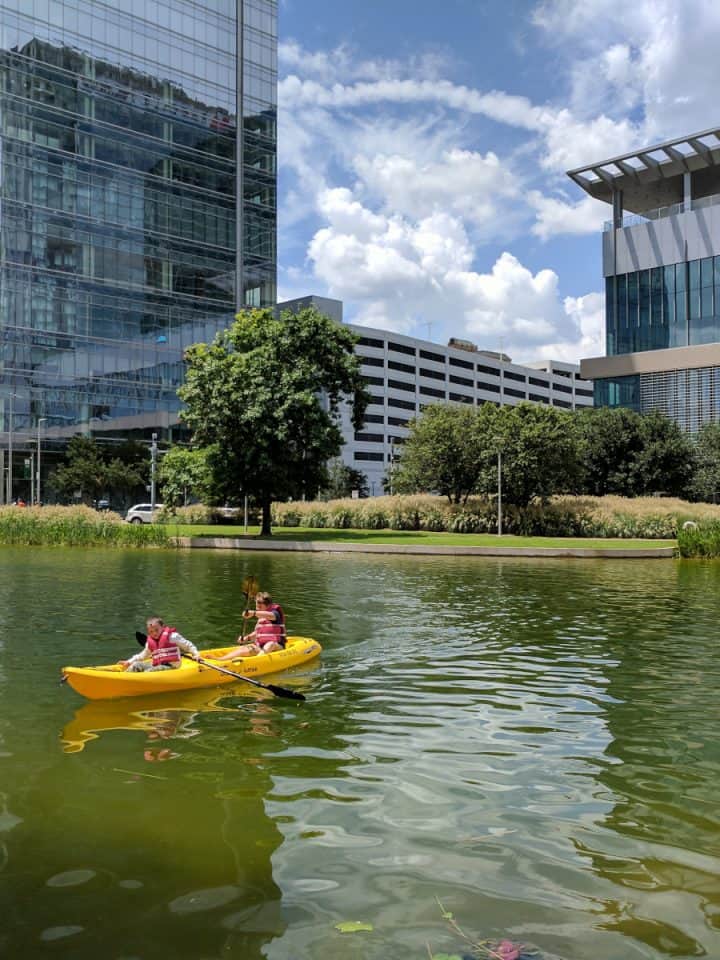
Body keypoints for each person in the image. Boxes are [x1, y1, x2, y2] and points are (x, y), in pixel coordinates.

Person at [215, 592, 286, 660]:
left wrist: (253, 613)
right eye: (257, 602)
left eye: (260, 603)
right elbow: (257, 634)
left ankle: (256, 662)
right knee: (244, 649)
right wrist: (247, 638)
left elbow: (272, 616)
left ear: (268, 605)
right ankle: (221, 660)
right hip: (261, 649)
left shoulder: (275, 613)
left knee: (270, 644)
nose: (257, 605)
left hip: (277, 647)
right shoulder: (261, 619)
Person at [119, 617, 200, 672]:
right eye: (151, 631)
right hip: (157, 665)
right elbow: (142, 656)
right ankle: (122, 679)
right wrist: (129, 662)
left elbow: (188, 646)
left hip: (171, 666)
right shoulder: (149, 643)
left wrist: (196, 654)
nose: (154, 633)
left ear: (162, 627)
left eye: (156, 630)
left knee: (149, 672)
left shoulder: (172, 636)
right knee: (136, 665)